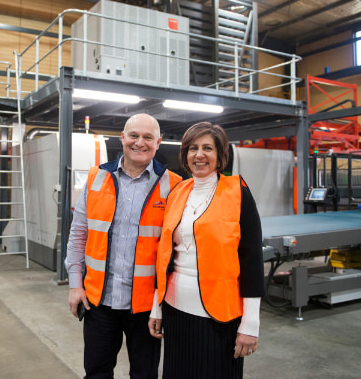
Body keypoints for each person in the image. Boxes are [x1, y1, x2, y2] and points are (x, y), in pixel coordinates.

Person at [65, 113, 182, 379]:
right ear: (122, 138)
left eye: (148, 137)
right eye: (134, 135)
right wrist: (75, 285)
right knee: (96, 372)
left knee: (144, 374)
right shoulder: (96, 177)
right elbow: (79, 234)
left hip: (146, 307)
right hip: (99, 301)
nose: (139, 143)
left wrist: (164, 304)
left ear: (158, 142)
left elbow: (178, 250)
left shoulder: (174, 186)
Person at [148, 122, 265, 379]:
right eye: (193, 148)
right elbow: (166, 254)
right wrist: (157, 306)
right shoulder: (178, 192)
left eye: (207, 148)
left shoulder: (237, 192)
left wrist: (251, 323)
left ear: (220, 155)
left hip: (219, 316)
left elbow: (252, 260)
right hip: (175, 309)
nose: (199, 155)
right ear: (185, 155)